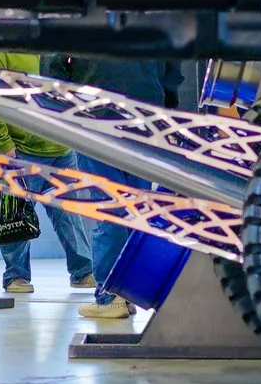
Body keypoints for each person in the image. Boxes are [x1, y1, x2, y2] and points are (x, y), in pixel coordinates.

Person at [61, 55, 184, 320]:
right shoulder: (155, 14)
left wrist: (61, 106)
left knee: (110, 209)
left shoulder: (83, 15)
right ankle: (127, 292)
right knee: (136, 212)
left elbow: (54, 60)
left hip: (93, 117)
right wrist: (166, 107)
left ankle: (109, 297)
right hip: (143, 120)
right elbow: (172, 66)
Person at [0, 50, 97, 293]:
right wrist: (2, 143)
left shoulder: (54, 45)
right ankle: (15, 276)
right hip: (18, 149)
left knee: (69, 216)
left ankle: (83, 272)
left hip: (60, 148)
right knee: (14, 215)